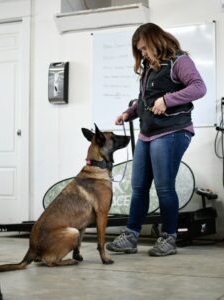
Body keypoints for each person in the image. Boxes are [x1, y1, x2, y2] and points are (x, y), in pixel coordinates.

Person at [106, 23, 206, 256]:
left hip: (172, 131)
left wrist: (168, 100)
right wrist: (128, 112)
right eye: (139, 51)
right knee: (139, 187)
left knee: (163, 187)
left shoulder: (179, 61)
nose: (142, 54)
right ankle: (131, 236)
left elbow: (199, 88)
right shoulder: (149, 68)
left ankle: (169, 238)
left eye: (143, 48)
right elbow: (145, 99)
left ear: (155, 41)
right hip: (147, 134)